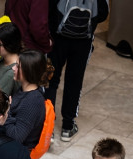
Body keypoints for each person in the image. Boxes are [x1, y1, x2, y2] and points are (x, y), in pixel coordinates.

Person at [45, 0, 109, 143]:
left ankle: (48, 127)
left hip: (58, 37)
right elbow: (103, 13)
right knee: (74, 82)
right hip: (83, 41)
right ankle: (67, 127)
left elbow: (49, 7)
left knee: (51, 80)